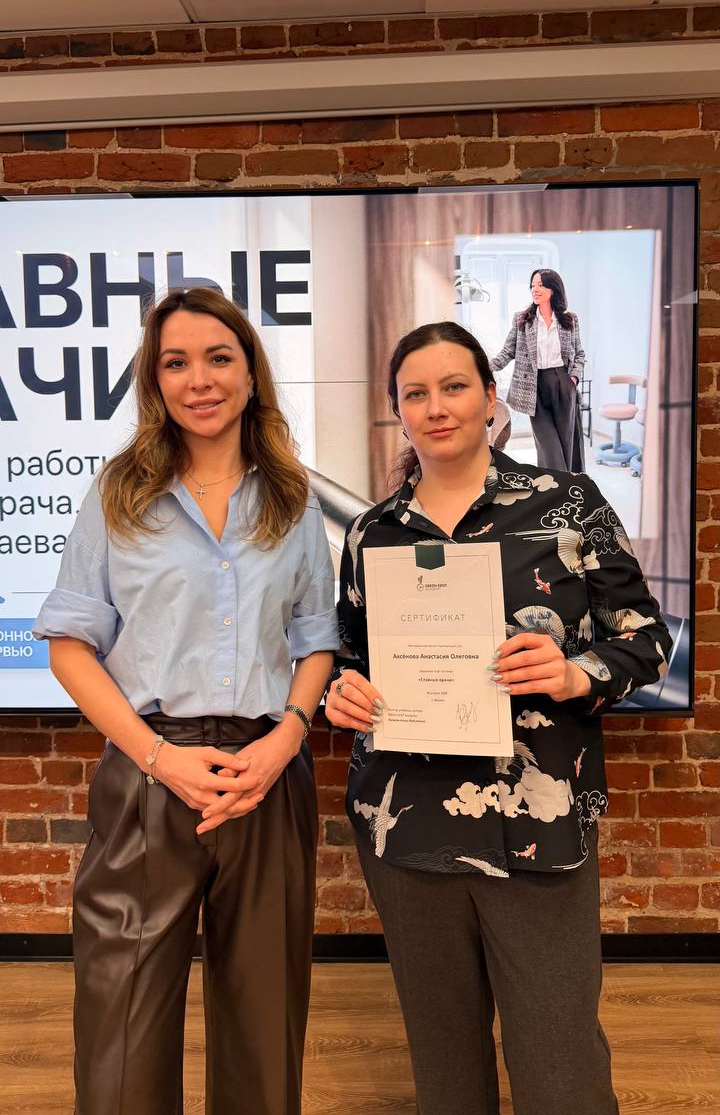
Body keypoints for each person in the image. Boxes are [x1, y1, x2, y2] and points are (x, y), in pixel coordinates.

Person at [325, 320, 670, 1115]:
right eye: (416, 394)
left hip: (538, 825)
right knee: (445, 1070)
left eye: (454, 387)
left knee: (560, 1069)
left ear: (489, 396)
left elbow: (645, 640)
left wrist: (576, 673)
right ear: (399, 412)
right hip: (407, 828)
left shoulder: (568, 503)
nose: (436, 407)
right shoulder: (375, 532)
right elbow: (350, 656)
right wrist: (341, 693)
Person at [33, 287, 338, 1115]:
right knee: (121, 1028)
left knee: (266, 1025)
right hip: (149, 772)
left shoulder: (294, 498)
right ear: (155, 381)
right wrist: (160, 759)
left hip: (266, 775)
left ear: (250, 373)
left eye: (218, 358)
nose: (198, 380)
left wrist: (285, 741)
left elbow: (316, 639)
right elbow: (69, 646)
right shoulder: (117, 495)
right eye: (175, 362)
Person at [490, 267, 586, 471]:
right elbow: (507, 352)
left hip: (563, 383)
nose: (535, 289)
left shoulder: (570, 320)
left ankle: (569, 484)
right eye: (532, 285)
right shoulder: (522, 319)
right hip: (534, 386)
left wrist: (573, 379)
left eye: (540, 285)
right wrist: (485, 367)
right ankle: (556, 484)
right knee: (549, 446)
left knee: (566, 443)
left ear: (553, 289)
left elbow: (579, 354)